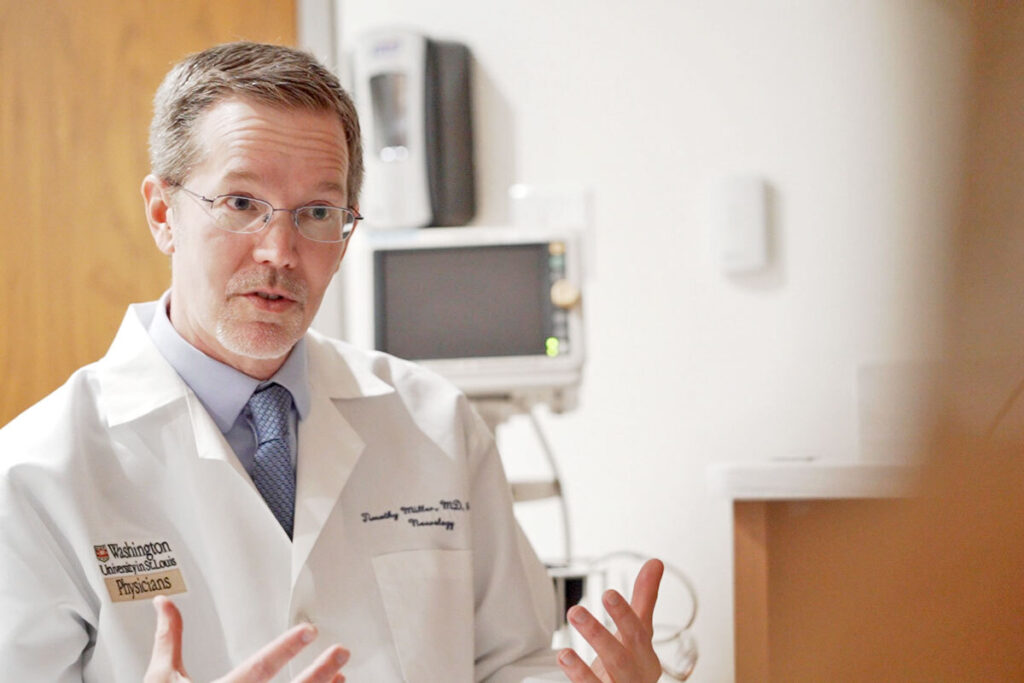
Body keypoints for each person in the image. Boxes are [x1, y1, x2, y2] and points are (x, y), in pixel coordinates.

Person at [0, 41, 663, 682]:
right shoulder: (38, 473)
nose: (280, 251)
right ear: (161, 213)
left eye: (318, 212)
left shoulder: (435, 423)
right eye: (240, 204)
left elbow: (510, 664)